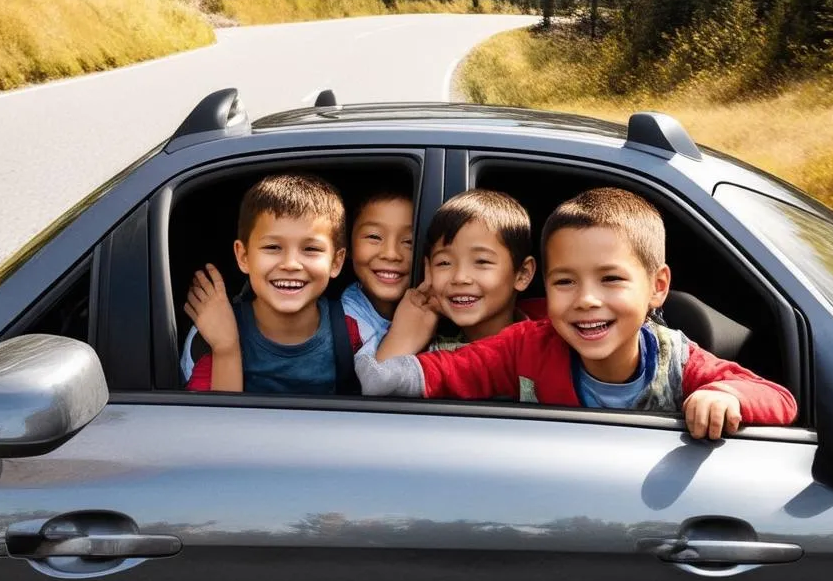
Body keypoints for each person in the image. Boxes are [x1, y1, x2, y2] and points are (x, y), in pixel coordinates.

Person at [356, 187, 797, 439]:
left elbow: (780, 399)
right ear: (545, 287)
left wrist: (723, 396)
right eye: (565, 282)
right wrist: (387, 362)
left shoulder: (677, 359)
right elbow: (447, 371)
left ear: (657, 287)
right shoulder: (526, 345)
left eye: (610, 280)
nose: (586, 300)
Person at [183, 173, 356, 394]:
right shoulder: (210, 332)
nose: (291, 264)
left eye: (311, 249)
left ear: (336, 261)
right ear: (243, 256)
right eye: (273, 247)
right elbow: (204, 424)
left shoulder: (353, 330)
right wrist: (226, 348)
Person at [374, 189, 543, 361]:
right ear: (428, 270)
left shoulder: (545, 349)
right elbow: (379, 383)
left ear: (522, 274)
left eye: (482, 262)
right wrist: (401, 340)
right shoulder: (429, 355)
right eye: (444, 263)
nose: (460, 277)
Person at [341, 190, 415, 357]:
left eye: (409, 241)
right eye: (374, 237)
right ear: (348, 246)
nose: (391, 254)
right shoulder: (344, 327)